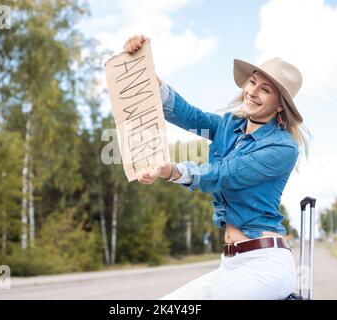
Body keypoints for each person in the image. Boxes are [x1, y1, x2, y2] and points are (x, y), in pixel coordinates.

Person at [123, 35, 310, 300]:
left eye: (265, 90)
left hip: (265, 265)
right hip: (231, 264)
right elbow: (191, 115)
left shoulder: (283, 148)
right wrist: (149, 77)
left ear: (280, 105)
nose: (253, 92)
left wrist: (174, 171)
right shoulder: (228, 126)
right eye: (253, 82)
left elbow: (226, 174)